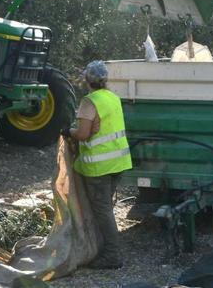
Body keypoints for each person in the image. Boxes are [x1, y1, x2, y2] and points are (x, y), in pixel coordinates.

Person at [60, 60, 132, 269]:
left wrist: (68, 131)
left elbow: (83, 134)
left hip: (99, 167)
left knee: (102, 211)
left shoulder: (89, 102)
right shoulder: (113, 98)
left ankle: (112, 255)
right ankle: (102, 246)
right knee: (105, 208)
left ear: (87, 80)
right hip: (118, 162)